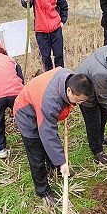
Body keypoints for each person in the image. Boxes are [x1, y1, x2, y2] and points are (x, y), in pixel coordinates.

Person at [14, 68, 94, 204]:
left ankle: (55, 168)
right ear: (69, 91)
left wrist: (59, 161)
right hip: (26, 113)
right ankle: (42, 190)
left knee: (49, 145)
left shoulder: (69, 78)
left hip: (38, 104)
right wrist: (62, 161)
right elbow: (48, 132)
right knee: (36, 154)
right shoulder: (50, 101)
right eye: (79, 100)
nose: (79, 104)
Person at [21, 0, 68, 71]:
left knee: (59, 56)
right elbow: (27, 3)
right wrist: (25, 0)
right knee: (46, 58)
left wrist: (62, 21)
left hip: (56, 29)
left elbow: (64, 6)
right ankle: (48, 78)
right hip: (41, 32)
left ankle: (60, 76)